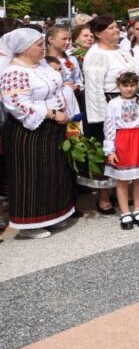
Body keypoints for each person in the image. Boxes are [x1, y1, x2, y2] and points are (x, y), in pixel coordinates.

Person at [0, 28, 76, 239]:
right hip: (29, 132)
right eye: (38, 45)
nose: (43, 48)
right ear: (24, 49)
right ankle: (29, 225)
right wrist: (51, 113)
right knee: (32, 176)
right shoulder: (14, 72)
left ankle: (53, 215)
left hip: (52, 128)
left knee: (53, 172)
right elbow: (17, 104)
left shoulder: (41, 65)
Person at [83, 15, 139, 215]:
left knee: (125, 149)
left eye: (116, 26)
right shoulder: (97, 53)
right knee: (107, 149)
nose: (116, 30)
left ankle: (122, 189)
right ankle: (103, 196)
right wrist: (102, 118)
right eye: (110, 28)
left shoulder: (122, 51)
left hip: (130, 104)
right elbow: (93, 88)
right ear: (98, 33)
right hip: (108, 105)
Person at [103, 71, 139, 230]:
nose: (129, 89)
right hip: (123, 141)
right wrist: (110, 150)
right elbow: (109, 127)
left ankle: (138, 210)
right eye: (125, 85)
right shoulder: (113, 103)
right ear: (119, 86)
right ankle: (125, 213)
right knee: (122, 179)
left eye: (132, 85)